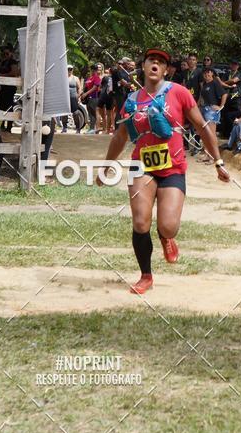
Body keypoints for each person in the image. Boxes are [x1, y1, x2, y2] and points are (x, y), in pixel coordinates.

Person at [97, 48, 230, 294]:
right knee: (140, 221)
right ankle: (145, 275)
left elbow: (202, 126)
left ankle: (166, 236)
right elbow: (120, 137)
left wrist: (218, 161)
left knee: (168, 225)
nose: (155, 65)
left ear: (166, 70)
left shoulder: (178, 93)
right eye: (151, 61)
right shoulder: (132, 100)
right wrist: (106, 166)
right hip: (142, 166)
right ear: (144, 66)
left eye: (160, 62)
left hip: (173, 168)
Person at [198, 67, 227, 160]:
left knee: (211, 134)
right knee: (206, 133)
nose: (206, 74)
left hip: (211, 110)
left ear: (212, 73)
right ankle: (207, 154)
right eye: (205, 73)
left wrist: (221, 106)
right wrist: (197, 106)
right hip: (204, 109)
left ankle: (214, 157)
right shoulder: (204, 84)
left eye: (208, 72)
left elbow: (224, 94)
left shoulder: (215, 83)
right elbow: (201, 97)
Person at [220, 59, 241, 138]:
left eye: (236, 64)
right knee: (225, 116)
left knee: (235, 116)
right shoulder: (226, 73)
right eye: (233, 64)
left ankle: (235, 134)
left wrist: (224, 83)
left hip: (237, 98)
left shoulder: (240, 73)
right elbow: (220, 83)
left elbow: (234, 80)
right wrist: (224, 83)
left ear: (238, 66)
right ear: (230, 65)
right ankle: (226, 134)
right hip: (227, 98)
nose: (234, 66)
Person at [60, 65, 82, 133]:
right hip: (65, 98)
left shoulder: (75, 78)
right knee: (64, 113)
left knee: (76, 113)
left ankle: (78, 128)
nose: (69, 71)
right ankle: (64, 128)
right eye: (68, 69)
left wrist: (78, 96)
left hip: (73, 98)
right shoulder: (62, 78)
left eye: (71, 69)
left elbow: (79, 88)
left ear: (72, 70)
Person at [82, 63, 103, 132]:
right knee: (90, 114)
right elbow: (86, 87)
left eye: (95, 69)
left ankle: (96, 128)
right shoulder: (90, 78)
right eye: (92, 69)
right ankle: (91, 128)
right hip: (88, 98)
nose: (93, 70)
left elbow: (95, 88)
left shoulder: (97, 78)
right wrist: (82, 94)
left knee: (95, 113)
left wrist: (86, 94)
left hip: (94, 97)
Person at [97, 67, 116, 134]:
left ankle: (104, 128)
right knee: (109, 112)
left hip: (104, 96)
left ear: (110, 71)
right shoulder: (114, 78)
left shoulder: (106, 77)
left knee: (100, 110)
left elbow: (100, 87)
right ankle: (107, 129)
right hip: (109, 96)